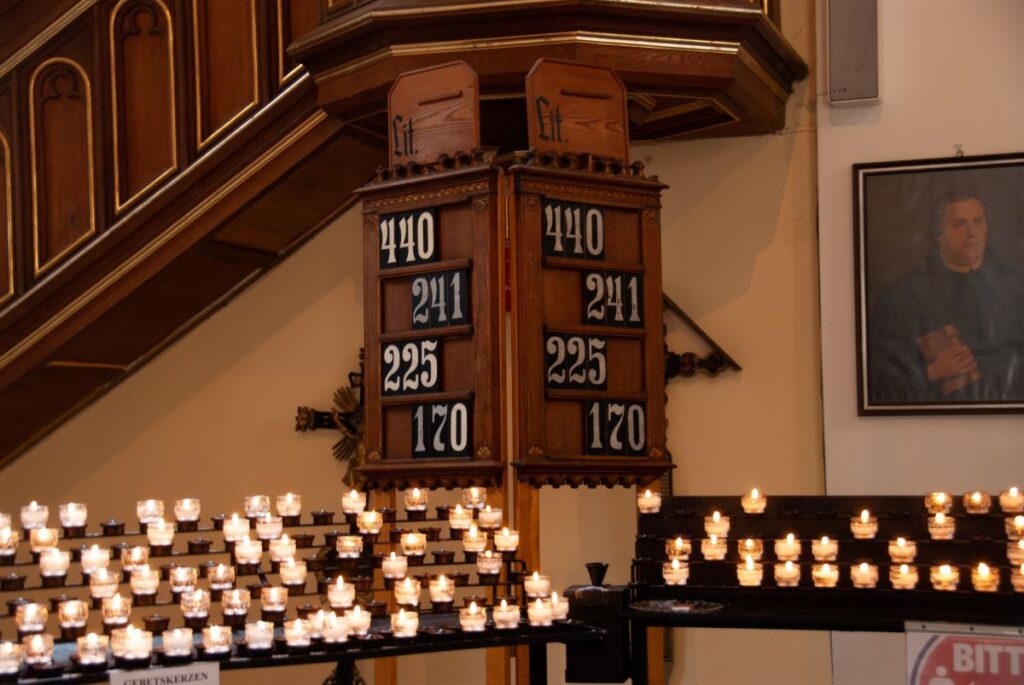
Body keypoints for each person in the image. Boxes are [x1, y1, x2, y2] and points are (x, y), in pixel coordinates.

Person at [868, 190, 1024, 404]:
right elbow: (875, 375)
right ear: (938, 233)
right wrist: (930, 372)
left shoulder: (1017, 287)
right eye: (960, 224)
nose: (973, 233)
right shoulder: (904, 295)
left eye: (979, 222)